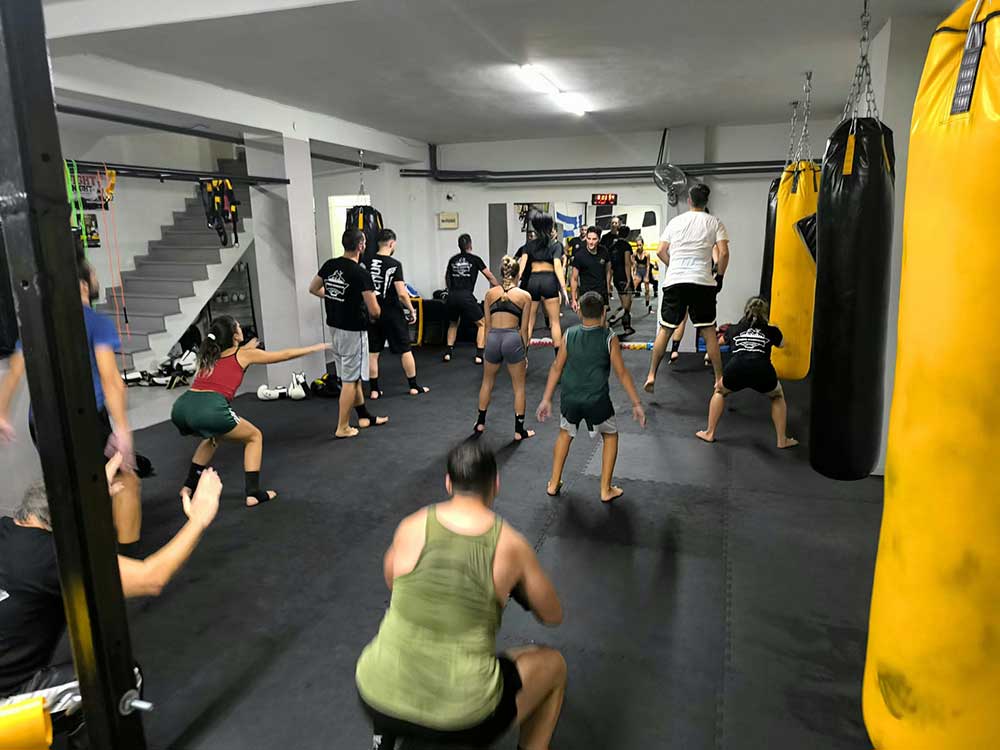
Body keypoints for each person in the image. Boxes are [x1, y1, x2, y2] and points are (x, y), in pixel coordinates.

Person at [0, 455, 222, 748]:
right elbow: (151, 578)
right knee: (120, 677)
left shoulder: (7, 530)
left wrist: (88, 495)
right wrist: (199, 519)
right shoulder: (50, 557)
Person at [356, 441, 565, 750]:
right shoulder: (511, 544)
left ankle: (387, 736)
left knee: (405, 652)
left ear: (448, 483)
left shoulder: (411, 526)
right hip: (463, 717)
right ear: (496, 484)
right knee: (553, 664)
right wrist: (513, 586)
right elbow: (552, 615)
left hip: (375, 690)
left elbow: (393, 581)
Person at [0, 253, 141, 545]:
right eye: (92, 274)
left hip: (41, 421)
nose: (96, 278)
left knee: (69, 485)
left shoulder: (39, 323)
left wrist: (2, 412)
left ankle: (74, 555)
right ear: (82, 285)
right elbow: (112, 380)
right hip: (84, 419)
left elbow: (14, 371)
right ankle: (128, 563)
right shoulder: (96, 322)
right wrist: (122, 429)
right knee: (125, 480)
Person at [170, 315, 329, 506]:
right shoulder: (245, 355)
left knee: (213, 438)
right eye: (238, 326)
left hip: (181, 408)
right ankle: (253, 493)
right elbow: (284, 355)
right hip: (210, 409)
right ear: (235, 336)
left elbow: (231, 355)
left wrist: (246, 347)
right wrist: (314, 348)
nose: (241, 328)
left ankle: (188, 487)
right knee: (254, 436)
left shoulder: (210, 354)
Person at [536, 291, 646, 503]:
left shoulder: (569, 334)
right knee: (610, 435)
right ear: (604, 312)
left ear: (579, 312)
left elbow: (557, 367)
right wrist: (636, 403)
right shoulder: (609, 337)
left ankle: (553, 483)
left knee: (564, 434)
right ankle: (605, 489)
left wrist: (546, 398)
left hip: (570, 398)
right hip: (597, 400)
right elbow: (622, 373)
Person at [644, 183, 730, 393]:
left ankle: (651, 375)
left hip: (676, 281)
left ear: (689, 200)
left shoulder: (675, 222)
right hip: (702, 282)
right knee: (709, 331)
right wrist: (719, 276)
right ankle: (719, 379)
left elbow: (661, 251)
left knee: (666, 329)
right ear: (706, 201)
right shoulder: (714, 222)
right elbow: (723, 253)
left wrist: (674, 266)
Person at [309, 229, 389, 438]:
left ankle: (364, 416)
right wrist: (378, 316)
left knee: (351, 377)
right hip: (353, 331)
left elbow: (313, 288)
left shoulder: (330, 265)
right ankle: (342, 427)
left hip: (335, 328)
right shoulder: (360, 273)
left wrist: (335, 296)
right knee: (350, 381)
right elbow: (374, 310)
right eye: (364, 242)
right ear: (360, 245)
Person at [696, 297, 798, 449]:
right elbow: (782, 345)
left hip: (737, 368)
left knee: (719, 391)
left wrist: (708, 355)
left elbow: (717, 343)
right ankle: (782, 440)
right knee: (777, 396)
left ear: (746, 311)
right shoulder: (772, 331)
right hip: (762, 370)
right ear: (765, 314)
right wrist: (775, 330)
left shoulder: (734, 329)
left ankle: (709, 433)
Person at [474, 257, 534, 441]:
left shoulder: (489, 294)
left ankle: (480, 423)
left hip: (493, 339)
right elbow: (524, 330)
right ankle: (519, 431)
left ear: (502, 273)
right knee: (519, 387)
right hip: (512, 339)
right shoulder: (525, 296)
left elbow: (487, 325)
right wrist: (524, 353)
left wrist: (486, 348)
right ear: (517, 274)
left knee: (487, 382)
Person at [365, 229, 428, 400]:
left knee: (373, 352)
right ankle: (413, 386)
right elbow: (401, 293)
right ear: (392, 243)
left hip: (372, 312)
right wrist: (412, 310)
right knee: (405, 350)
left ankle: (374, 390)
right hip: (392, 313)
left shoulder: (366, 261)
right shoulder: (394, 264)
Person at [517, 212, 569, 356]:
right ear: (550, 227)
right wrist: (564, 289)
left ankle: (523, 356)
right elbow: (557, 267)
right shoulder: (556, 245)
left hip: (533, 281)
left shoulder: (529, 245)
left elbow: (521, 268)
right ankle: (558, 358)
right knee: (555, 322)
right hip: (549, 281)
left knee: (529, 322)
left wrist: (512, 287)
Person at [443, 234, 499, 364]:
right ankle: (479, 355)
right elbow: (489, 276)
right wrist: (501, 289)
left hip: (452, 296)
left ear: (459, 246)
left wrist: (450, 292)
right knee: (482, 323)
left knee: (453, 323)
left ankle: (448, 353)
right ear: (470, 245)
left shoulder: (453, 260)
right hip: (466, 296)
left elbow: (447, 278)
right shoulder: (475, 259)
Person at [569, 226, 612, 313]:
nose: (591, 242)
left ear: (599, 239)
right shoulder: (579, 255)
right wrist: (573, 299)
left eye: (594, 239)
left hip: (601, 292)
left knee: (602, 319)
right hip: (586, 293)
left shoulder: (604, 251)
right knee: (587, 319)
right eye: (589, 239)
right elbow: (574, 278)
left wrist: (608, 285)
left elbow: (608, 270)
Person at [608, 224, 635, 336]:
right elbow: (627, 263)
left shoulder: (612, 247)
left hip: (617, 277)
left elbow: (610, 267)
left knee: (625, 304)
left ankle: (625, 326)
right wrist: (629, 279)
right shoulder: (626, 246)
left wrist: (609, 281)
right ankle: (612, 322)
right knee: (626, 307)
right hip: (624, 276)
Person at [632, 244, 652, 313]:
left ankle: (647, 301)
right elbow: (633, 265)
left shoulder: (646, 254)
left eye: (640, 245)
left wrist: (647, 275)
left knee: (647, 289)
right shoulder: (635, 254)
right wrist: (633, 274)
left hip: (644, 270)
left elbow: (648, 265)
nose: (639, 247)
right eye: (637, 245)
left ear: (642, 245)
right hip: (638, 271)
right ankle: (628, 305)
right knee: (633, 287)